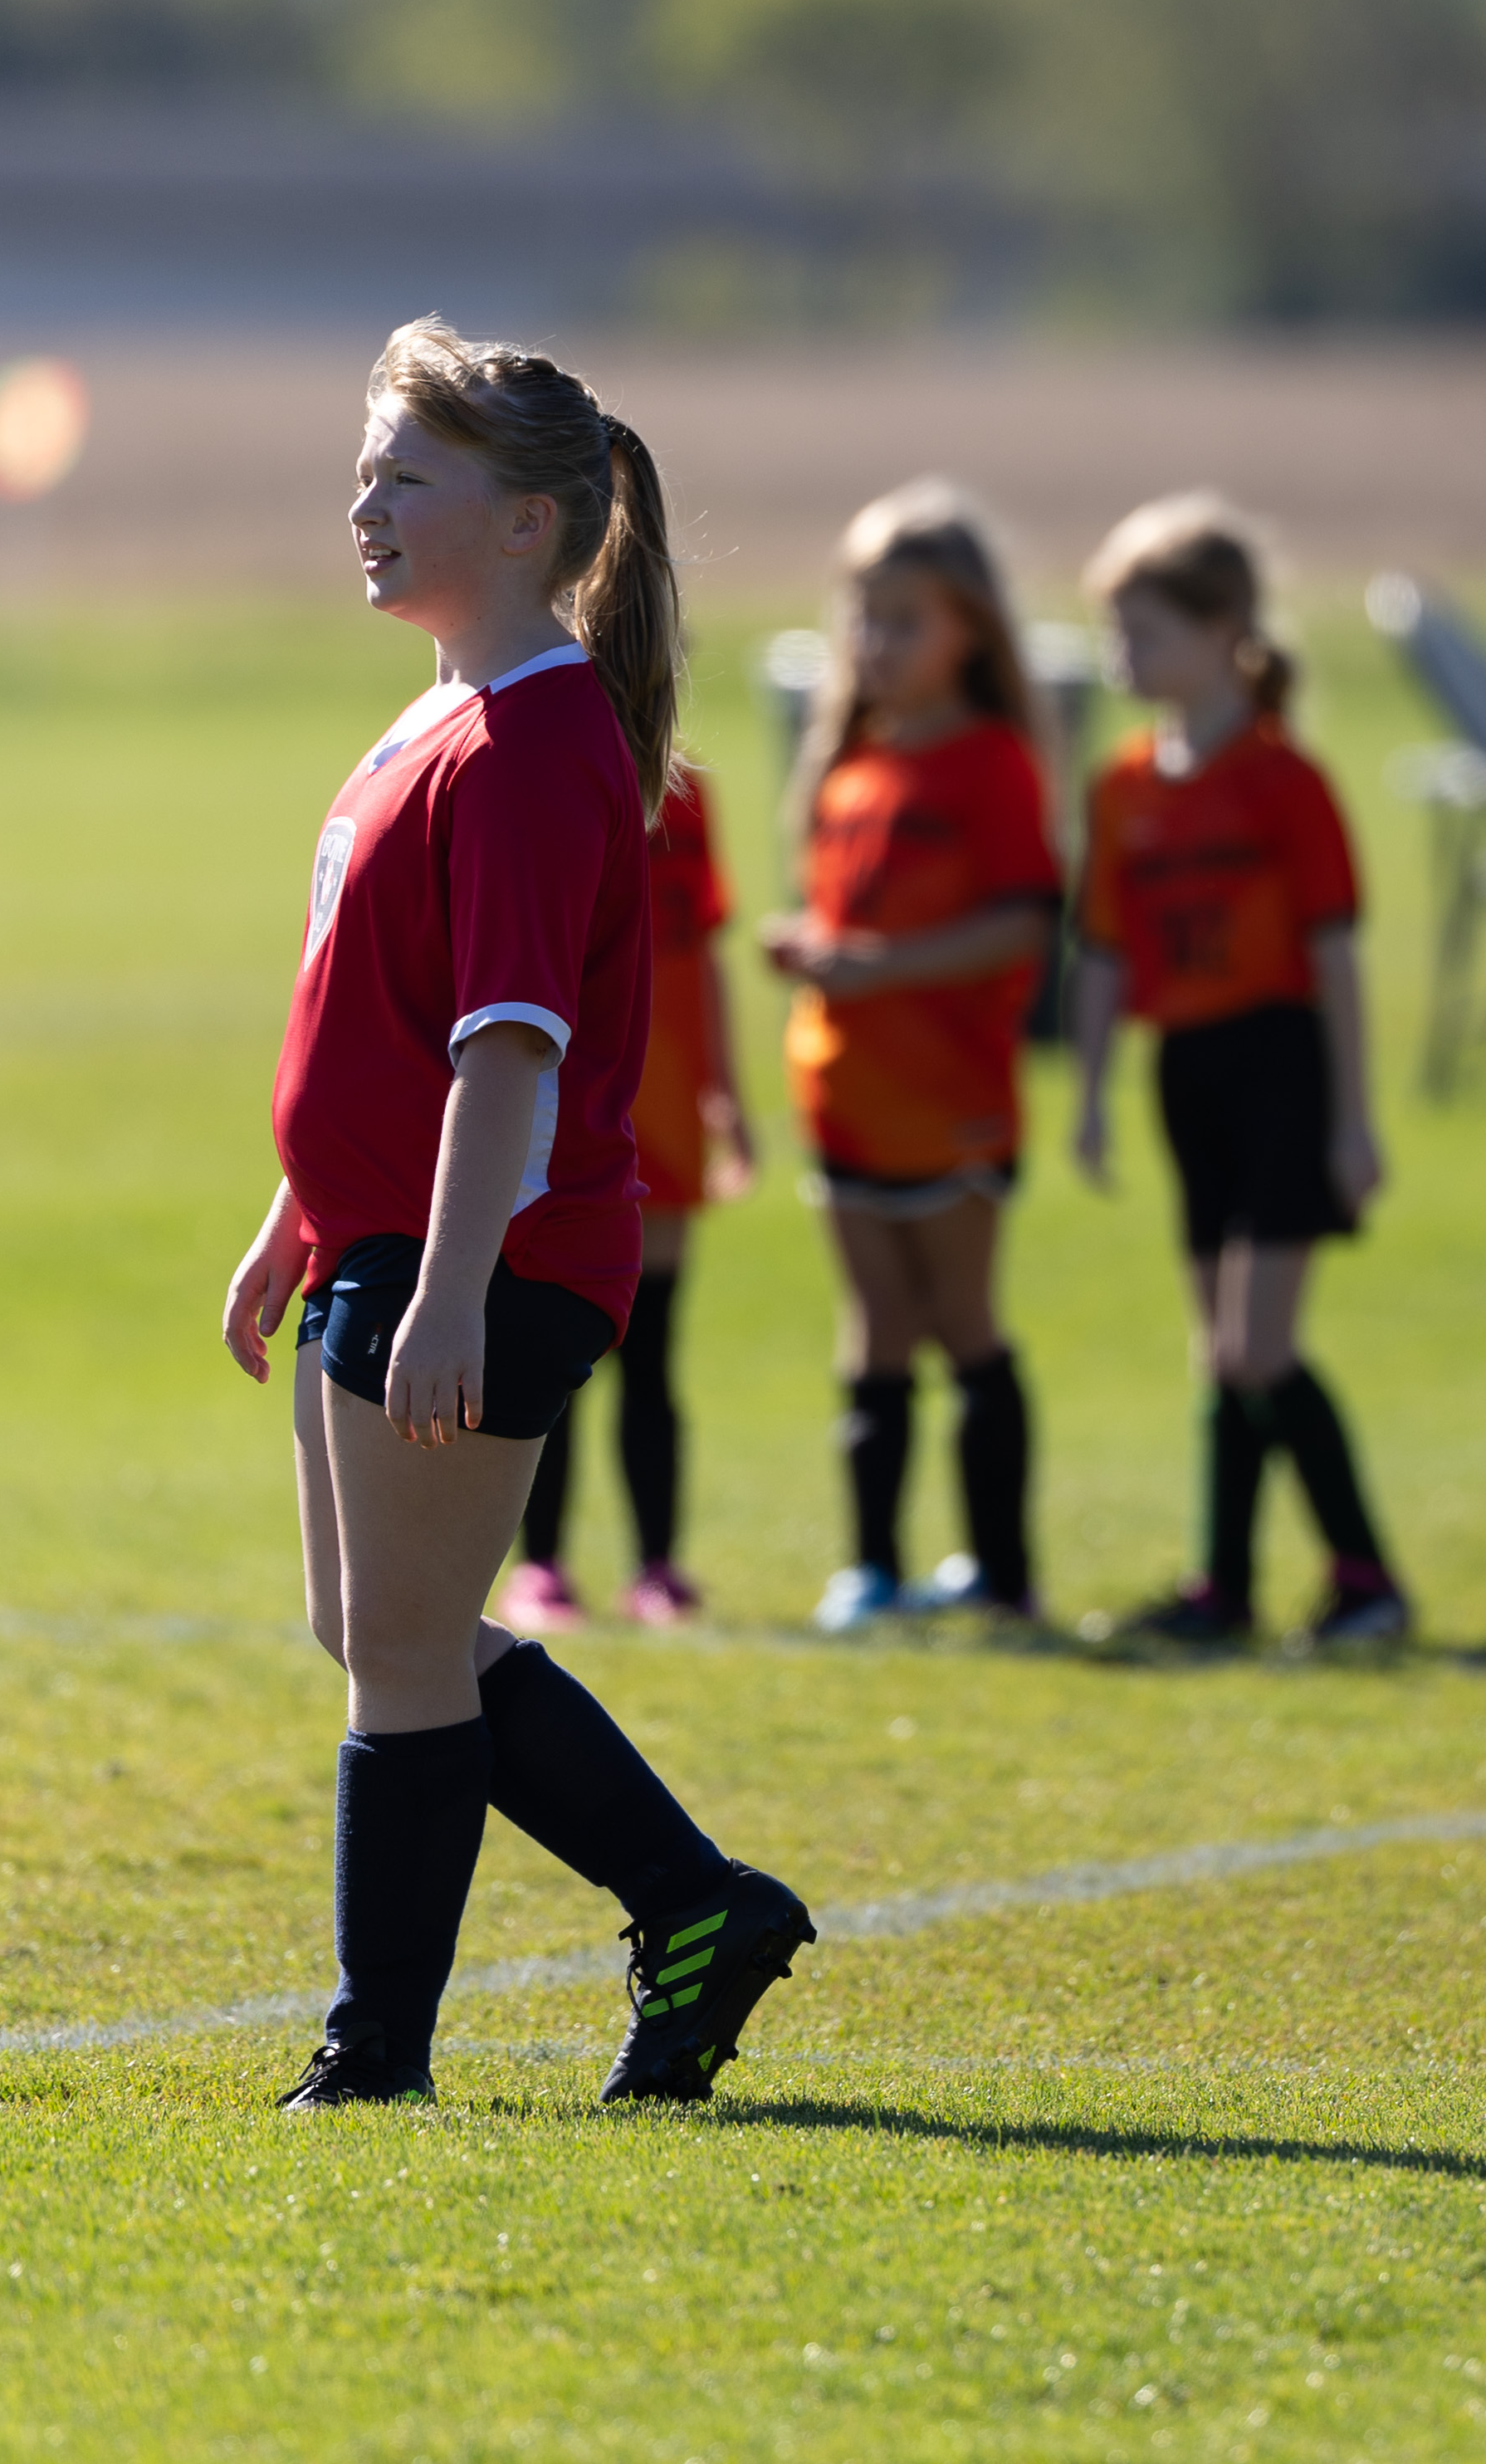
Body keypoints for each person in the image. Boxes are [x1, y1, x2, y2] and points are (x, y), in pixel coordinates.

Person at [218, 315, 811, 2111]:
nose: (364, 503)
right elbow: (384, 1019)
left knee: (402, 1649)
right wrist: (298, 1212)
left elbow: (509, 1056)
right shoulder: (438, 716)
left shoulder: (540, 741)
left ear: (530, 522)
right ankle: (697, 1903)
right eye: (365, 469)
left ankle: (375, 2051)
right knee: (373, 1628)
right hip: (387, 1242)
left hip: (479, 1255)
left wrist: (454, 1286)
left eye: (407, 475)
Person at [1066, 496, 1408, 1650]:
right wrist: (1093, 1093)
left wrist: (1353, 1120)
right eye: (1115, 630)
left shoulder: (1281, 779)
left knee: (1258, 1347)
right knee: (1220, 1350)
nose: (1123, 653)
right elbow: (1104, 952)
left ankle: (1366, 1579)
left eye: (1145, 630)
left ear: (1224, 632)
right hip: (1188, 1071)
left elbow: (1335, 951)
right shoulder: (1121, 784)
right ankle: (1224, 1589)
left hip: (1280, 1065)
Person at [763, 482, 1063, 1635]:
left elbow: (1021, 924)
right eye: (864, 615)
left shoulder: (991, 763)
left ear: (968, 631)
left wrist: (876, 966)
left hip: (953, 1103)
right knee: (875, 1328)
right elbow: (850, 922)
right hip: (843, 1095)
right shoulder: (850, 765)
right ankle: (875, 1571)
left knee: (963, 1323)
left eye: (903, 618)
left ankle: (1002, 1573)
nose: (875, 641)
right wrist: (813, 952)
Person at [502, 755, 752, 1631]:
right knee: (553, 1346)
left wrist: (726, 1096)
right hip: (564, 1106)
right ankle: (541, 1564)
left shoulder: (685, 794)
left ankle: (656, 1564)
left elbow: (702, 950)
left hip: (666, 1105)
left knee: (651, 1349)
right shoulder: (544, 771)